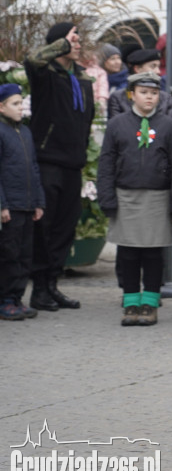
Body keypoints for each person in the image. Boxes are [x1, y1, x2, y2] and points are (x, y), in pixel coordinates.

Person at [97, 72, 172, 326]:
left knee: (154, 254)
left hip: (157, 198)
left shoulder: (169, 126)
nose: (149, 97)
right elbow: (106, 164)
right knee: (128, 252)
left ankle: (150, 304)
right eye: (144, 92)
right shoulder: (117, 124)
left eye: (154, 93)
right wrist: (107, 197)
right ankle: (131, 302)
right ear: (132, 94)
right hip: (126, 196)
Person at [25, 21, 95, 312]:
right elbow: (33, 59)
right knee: (45, 227)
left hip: (73, 163)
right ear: (58, 44)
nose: (78, 43)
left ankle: (52, 285)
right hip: (48, 161)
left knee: (65, 228)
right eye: (72, 39)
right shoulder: (46, 74)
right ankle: (39, 289)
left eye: (78, 39)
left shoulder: (82, 78)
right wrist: (61, 44)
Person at [0, 85, 45, 321]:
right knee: (9, 254)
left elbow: (34, 168)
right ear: (1, 107)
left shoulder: (25, 132)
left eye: (21, 103)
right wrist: (2, 204)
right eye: (15, 104)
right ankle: (5, 299)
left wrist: (38, 201)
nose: (20, 108)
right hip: (11, 206)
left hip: (27, 205)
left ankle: (17, 298)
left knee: (25, 254)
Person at [108, 48, 172, 120]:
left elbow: (170, 126)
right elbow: (116, 126)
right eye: (153, 66)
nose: (158, 71)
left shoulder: (166, 98)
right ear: (137, 69)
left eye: (158, 67)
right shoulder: (119, 97)